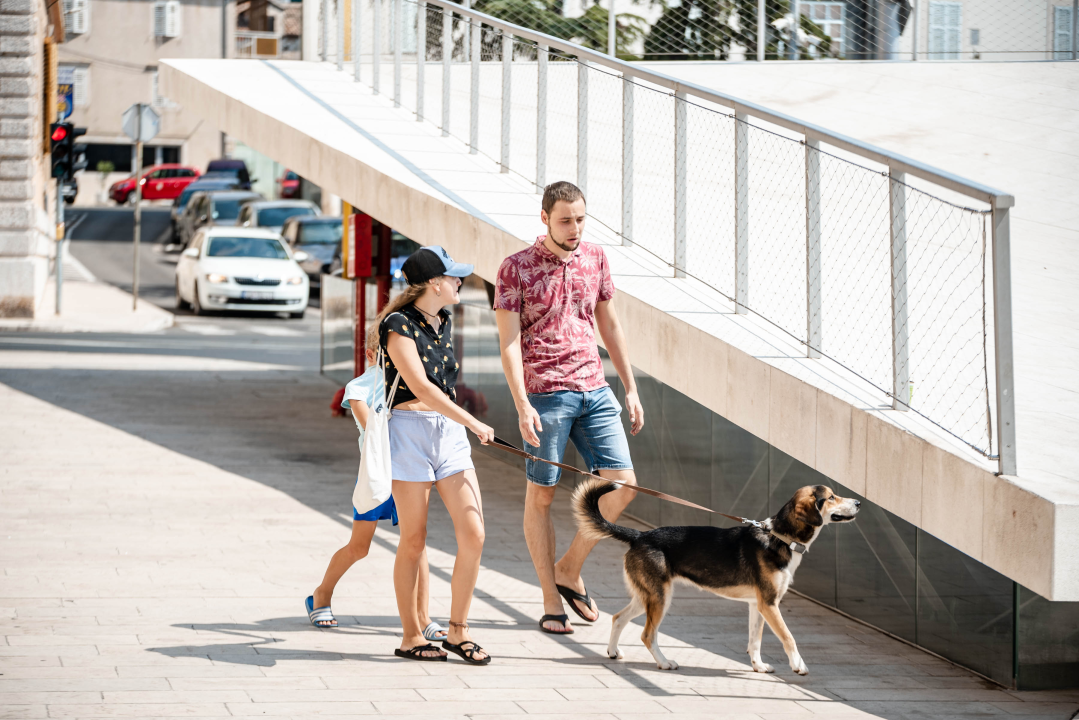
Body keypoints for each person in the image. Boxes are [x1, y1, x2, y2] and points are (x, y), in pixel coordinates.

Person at [494, 181, 644, 635]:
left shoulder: (595, 257)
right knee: (541, 495)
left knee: (625, 485)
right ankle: (548, 598)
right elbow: (508, 342)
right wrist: (521, 403)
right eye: (565, 220)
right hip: (545, 396)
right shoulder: (515, 268)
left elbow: (610, 324)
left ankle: (569, 567)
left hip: (595, 389)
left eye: (580, 219)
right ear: (544, 218)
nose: (575, 228)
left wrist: (631, 388)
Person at [379, 245, 495, 665]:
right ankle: (411, 634)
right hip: (409, 432)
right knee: (414, 539)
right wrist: (475, 422)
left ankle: (458, 630)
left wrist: (461, 423)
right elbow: (422, 387)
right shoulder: (397, 325)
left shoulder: (444, 319)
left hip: (448, 434)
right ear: (433, 282)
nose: (460, 281)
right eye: (453, 276)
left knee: (474, 534)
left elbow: (441, 390)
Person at [305, 325, 446, 644]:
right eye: (390, 355)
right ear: (371, 355)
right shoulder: (358, 388)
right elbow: (373, 428)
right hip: (377, 475)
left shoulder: (412, 384)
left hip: (409, 473)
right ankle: (321, 595)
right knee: (360, 546)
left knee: (417, 541)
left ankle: (423, 619)